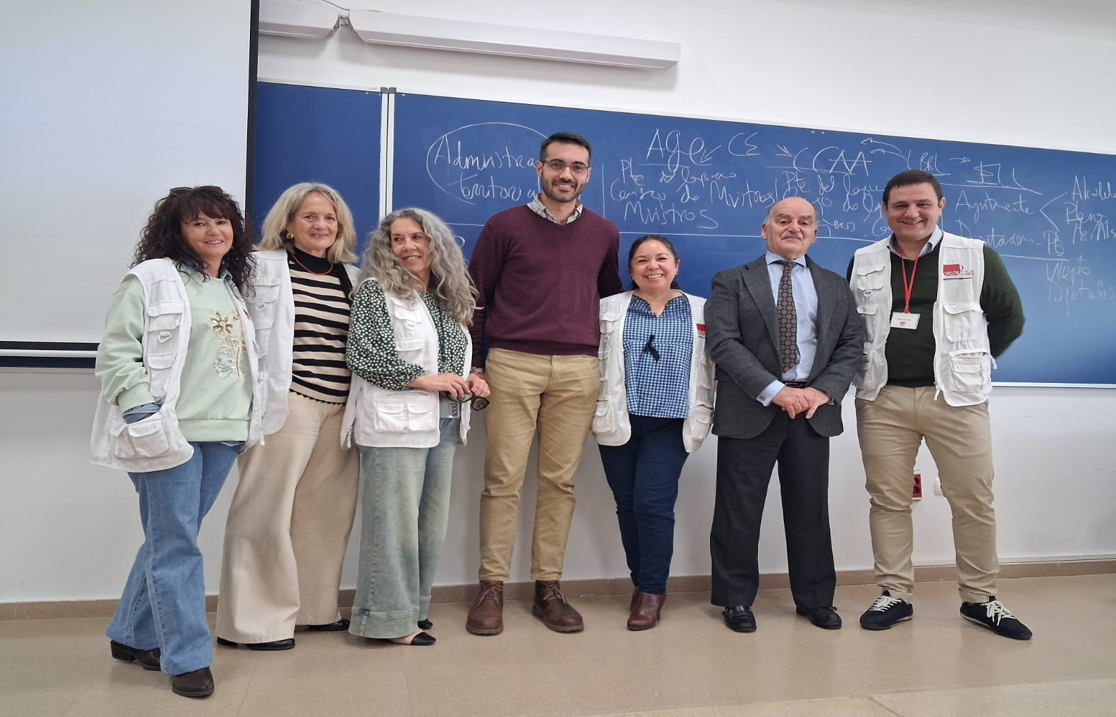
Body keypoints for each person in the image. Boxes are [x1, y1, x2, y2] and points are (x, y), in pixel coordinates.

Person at [93, 186, 262, 698]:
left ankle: (131, 633)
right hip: (171, 434)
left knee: (171, 539)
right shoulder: (151, 280)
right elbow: (117, 352)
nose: (214, 232)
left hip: (226, 433)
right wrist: (143, 411)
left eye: (222, 222)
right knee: (178, 546)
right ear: (177, 231)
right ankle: (186, 658)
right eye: (199, 223)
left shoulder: (232, 286)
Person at [848, 170, 1030, 639]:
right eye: (901, 206)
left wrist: (977, 361)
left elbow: (1009, 317)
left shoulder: (974, 254)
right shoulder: (864, 260)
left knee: (973, 499)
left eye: (922, 205)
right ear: (885, 210)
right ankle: (894, 593)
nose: (912, 214)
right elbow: (851, 329)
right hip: (882, 398)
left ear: (941, 206)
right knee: (887, 500)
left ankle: (980, 598)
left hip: (956, 398)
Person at [464, 131, 623, 636]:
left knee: (560, 483)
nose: (566, 175)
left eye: (577, 167)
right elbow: (475, 299)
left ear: (588, 175)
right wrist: (478, 364)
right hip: (513, 362)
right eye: (557, 165)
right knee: (502, 482)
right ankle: (491, 588)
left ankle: (547, 588)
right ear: (539, 169)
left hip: (578, 370)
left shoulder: (604, 232)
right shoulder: (503, 225)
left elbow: (608, 301)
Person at [705, 196, 862, 634]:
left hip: (812, 410)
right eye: (784, 220)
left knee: (809, 510)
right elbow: (723, 343)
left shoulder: (834, 285)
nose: (794, 227)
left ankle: (815, 599)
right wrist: (774, 391)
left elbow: (851, 345)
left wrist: (821, 391)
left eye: (805, 222)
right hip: (751, 408)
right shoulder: (732, 281)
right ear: (765, 229)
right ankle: (735, 600)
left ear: (814, 232)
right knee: (738, 510)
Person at [215, 183, 361, 650]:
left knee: (326, 515)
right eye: (310, 217)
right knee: (264, 510)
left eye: (330, 219)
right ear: (288, 224)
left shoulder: (353, 278)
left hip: (341, 406)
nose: (321, 226)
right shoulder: (259, 268)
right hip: (288, 399)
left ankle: (315, 611)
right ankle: (252, 624)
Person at [343, 208, 489, 646]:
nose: (408, 247)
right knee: (393, 524)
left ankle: (415, 609)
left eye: (417, 237)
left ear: (435, 243)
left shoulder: (448, 297)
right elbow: (364, 356)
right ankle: (386, 620)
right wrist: (424, 380)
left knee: (429, 524)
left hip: (444, 421)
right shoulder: (375, 292)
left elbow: (449, 359)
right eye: (398, 240)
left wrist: (473, 378)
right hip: (395, 423)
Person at [593, 235, 715, 630]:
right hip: (620, 418)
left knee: (652, 503)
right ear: (630, 271)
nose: (653, 266)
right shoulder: (608, 308)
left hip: (672, 422)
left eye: (661, 258)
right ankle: (641, 582)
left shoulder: (702, 310)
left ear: (676, 265)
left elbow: (715, 366)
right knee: (627, 504)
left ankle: (652, 590)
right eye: (642, 260)